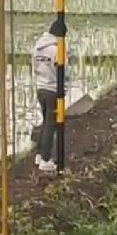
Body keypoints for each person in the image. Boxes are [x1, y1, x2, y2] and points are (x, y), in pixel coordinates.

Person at [32, 21, 69, 173]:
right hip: (53, 90)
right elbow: (64, 71)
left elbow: (35, 67)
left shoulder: (37, 48)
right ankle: (46, 160)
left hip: (41, 88)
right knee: (50, 124)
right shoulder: (57, 50)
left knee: (45, 121)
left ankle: (40, 155)